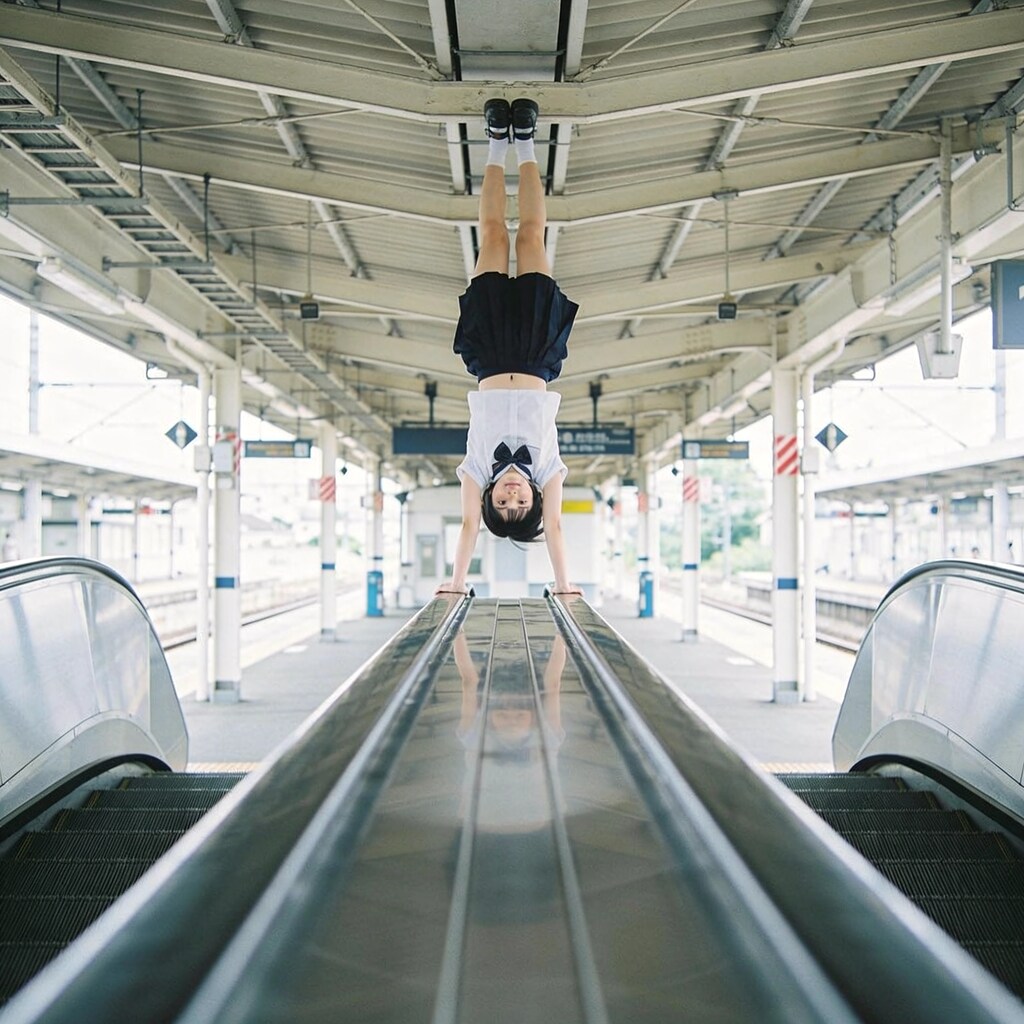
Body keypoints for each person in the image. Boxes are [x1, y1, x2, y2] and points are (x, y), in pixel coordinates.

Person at [437, 98, 581, 597]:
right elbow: (557, 531)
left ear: (491, 498)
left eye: (504, 506)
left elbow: (467, 528)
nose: (512, 498)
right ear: (536, 499)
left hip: (492, 350)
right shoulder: (550, 470)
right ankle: (527, 143)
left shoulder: (475, 469)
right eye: (522, 506)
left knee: (495, 237)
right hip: (538, 352)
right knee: (534, 236)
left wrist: (456, 584)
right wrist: (564, 587)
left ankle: (497, 141)